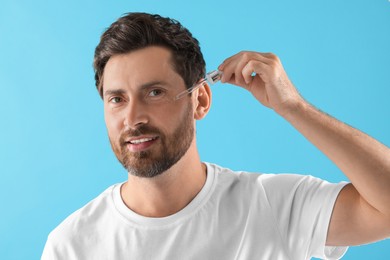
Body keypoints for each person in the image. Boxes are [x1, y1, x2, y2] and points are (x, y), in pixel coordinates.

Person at [42, 12, 390, 259]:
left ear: (201, 100)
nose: (133, 118)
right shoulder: (72, 245)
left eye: (155, 93)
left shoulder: (275, 205)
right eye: (117, 99)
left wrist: (293, 106)